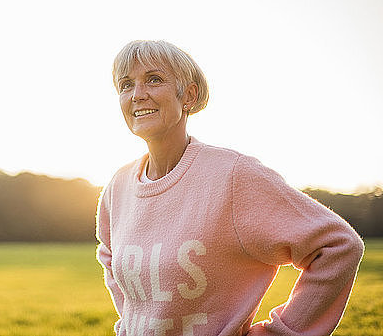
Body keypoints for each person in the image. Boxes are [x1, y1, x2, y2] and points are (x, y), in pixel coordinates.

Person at [95, 40, 364, 336]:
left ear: (189, 95)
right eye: (126, 85)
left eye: (154, 79)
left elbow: (338, 246)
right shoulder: (117, 187)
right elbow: (109, 255)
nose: (137, 95)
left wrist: (280, 332)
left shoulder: (234, 176)